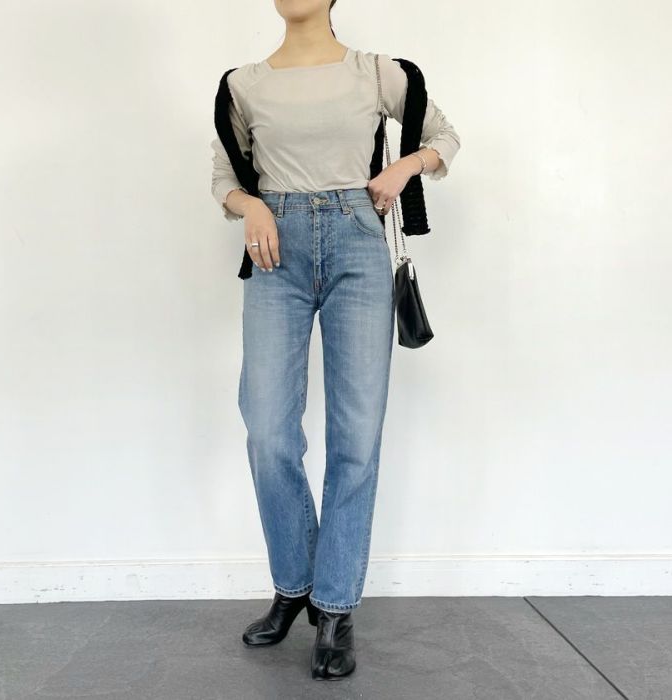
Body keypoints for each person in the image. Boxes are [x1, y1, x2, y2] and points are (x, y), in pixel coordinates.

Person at [210, 0, 460, 681]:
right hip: (274, 252)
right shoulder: (242, 85)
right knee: (268, 429)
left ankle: (335, 608)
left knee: (356, 435)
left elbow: (443, 137)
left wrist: (403, 168)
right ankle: (294, 584)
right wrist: (252, 205)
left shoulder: (377, 73)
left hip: (357, 243)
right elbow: (224, 179)